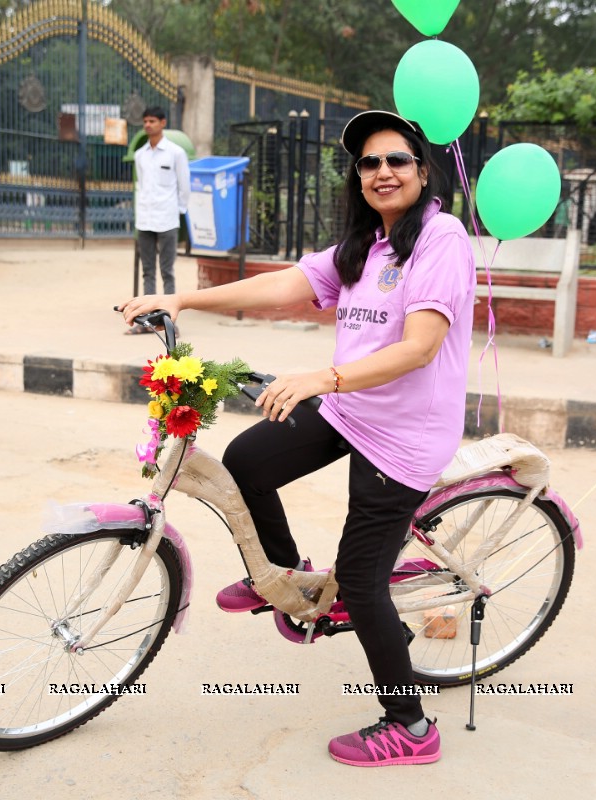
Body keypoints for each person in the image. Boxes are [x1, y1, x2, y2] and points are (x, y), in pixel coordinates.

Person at [120, 110, 475, 767]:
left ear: (423, 172)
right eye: (369, 163)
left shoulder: (441, 238)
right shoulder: (366, 241)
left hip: (402, 434)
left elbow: (421, 346)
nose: (382, 172)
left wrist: (324, 377)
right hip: (351, 407)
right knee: (248, 459)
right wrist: (182, 300)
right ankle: (287, 582)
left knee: (364, 582)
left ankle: (410, 725)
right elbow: (287, 283)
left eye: (397, 160)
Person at [127, 105, 189, 332]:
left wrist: (177, 211)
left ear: (162, 123)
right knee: (148, 272)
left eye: (152, 121)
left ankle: (170, 323)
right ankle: (146, 321)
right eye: (145, 121)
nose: (147, 125)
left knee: (167, 271)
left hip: (167, 219)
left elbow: (184, 187)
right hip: (144, 219)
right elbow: (141, 186)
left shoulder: (175, 153)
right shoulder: (140, 154)